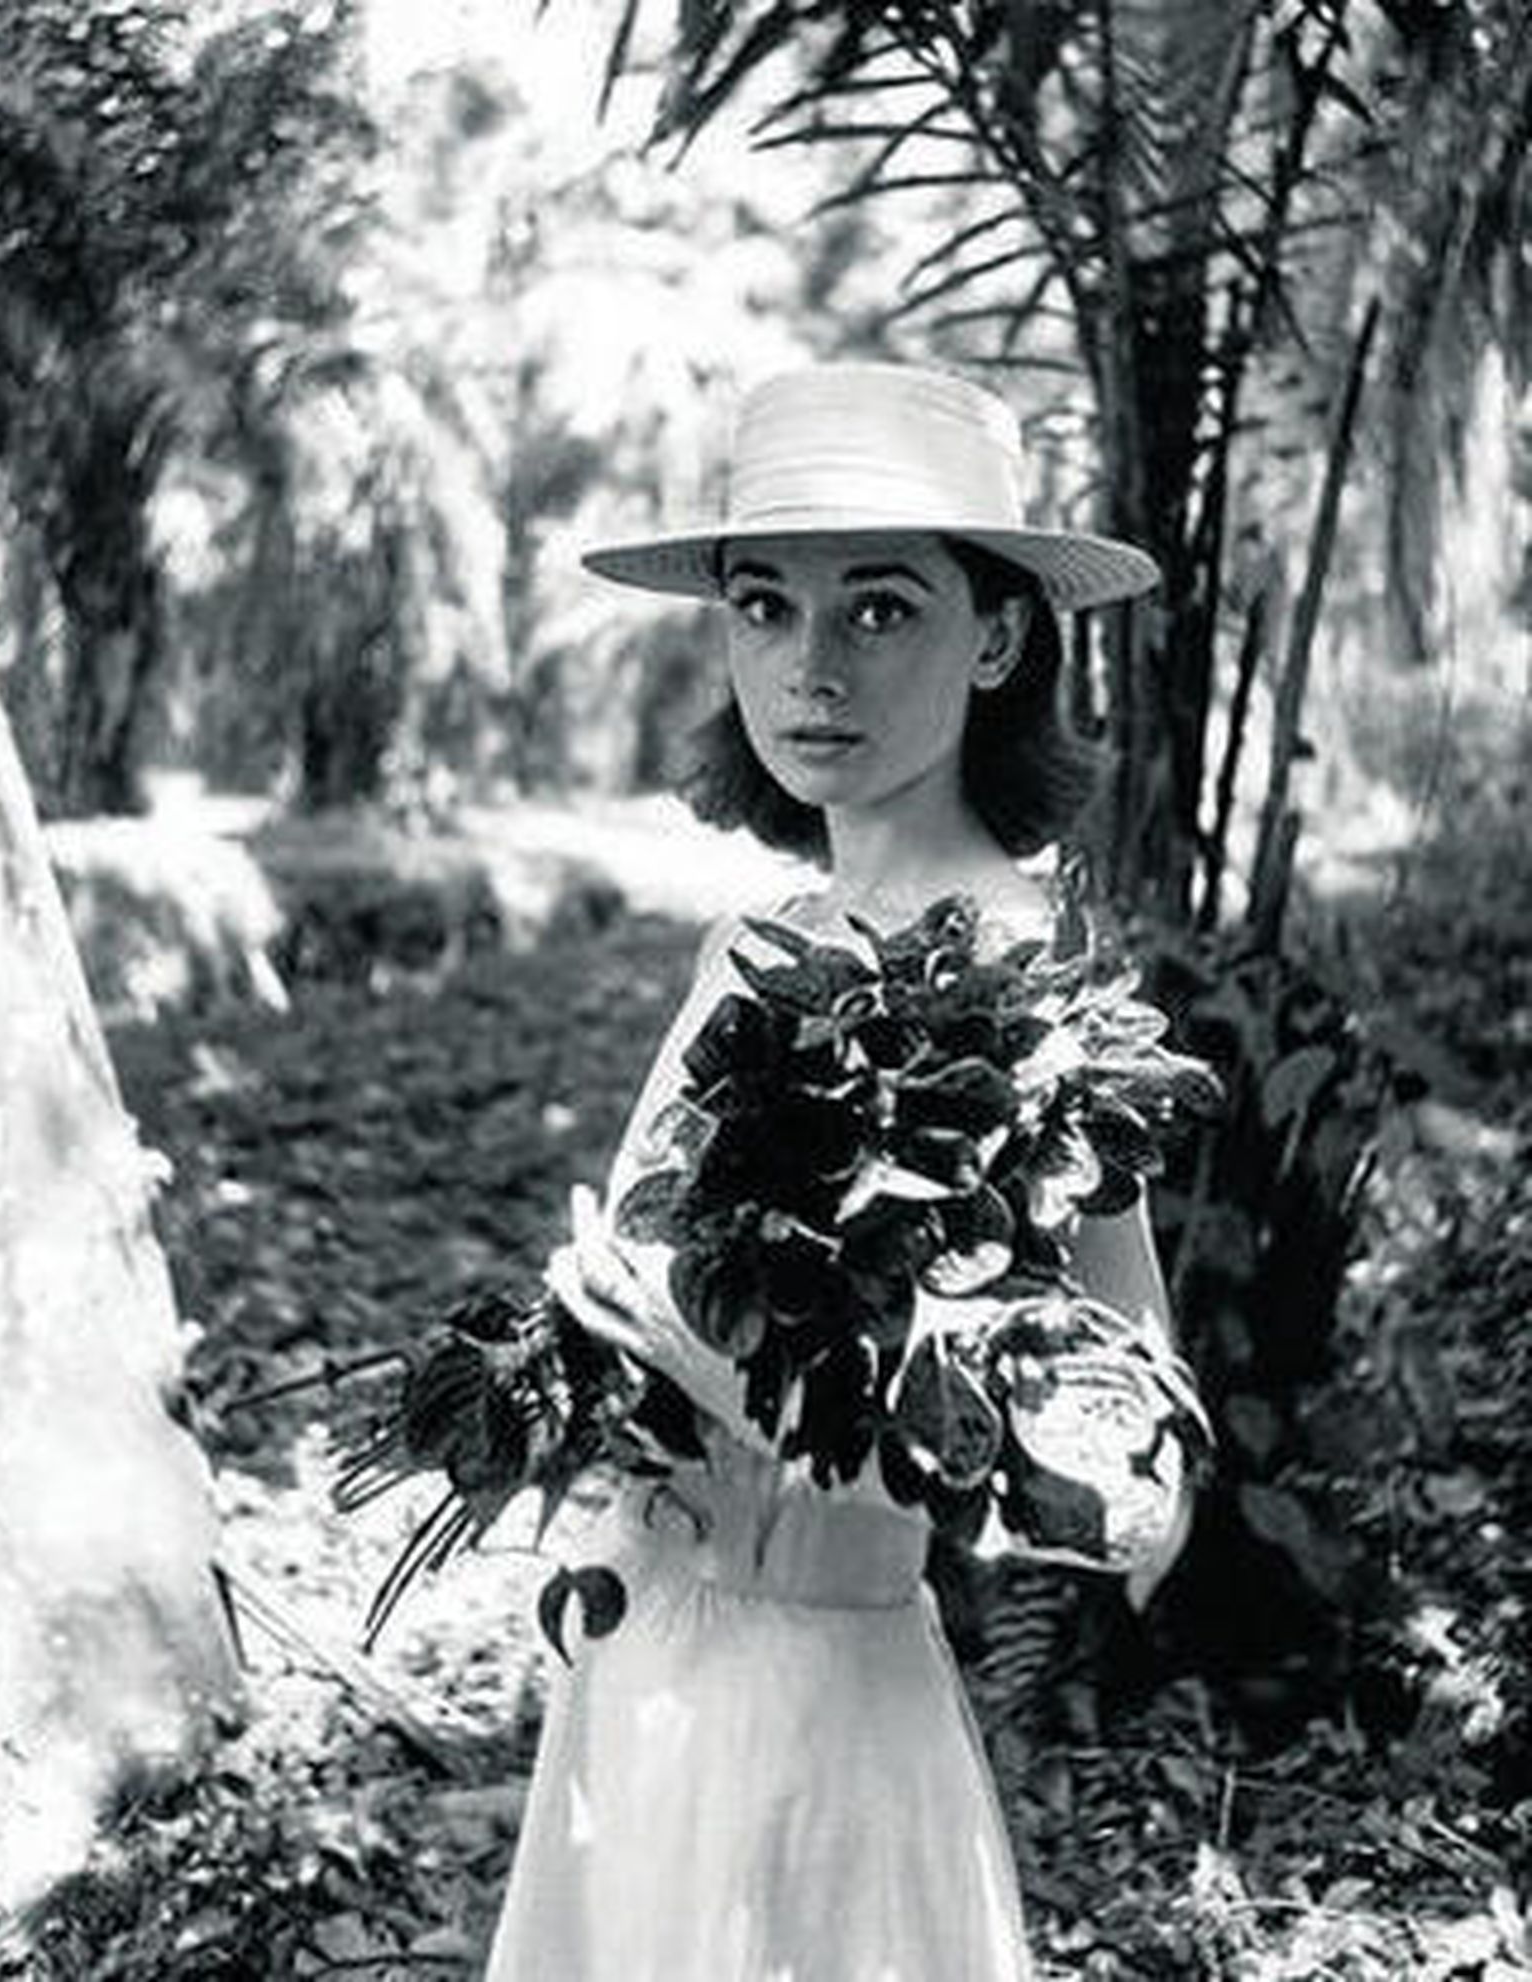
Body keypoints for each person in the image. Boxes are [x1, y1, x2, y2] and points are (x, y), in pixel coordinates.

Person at [484, 361, 1186, 1980]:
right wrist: (561, 1366)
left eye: (879, 611)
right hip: (634, 1664)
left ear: (998, 634)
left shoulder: (1034, 992)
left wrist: (736, 1374)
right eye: (763, 606)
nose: (808, 669)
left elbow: (1137, 1488)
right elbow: (651, 1275)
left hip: (815, 1721)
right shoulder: (759, 940)